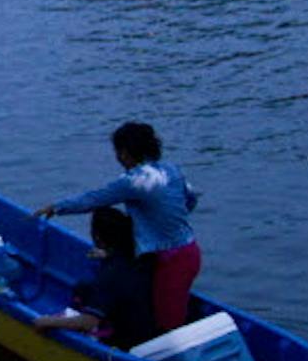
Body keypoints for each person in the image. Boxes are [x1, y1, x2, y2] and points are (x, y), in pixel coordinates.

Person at [36, 121, 200, 332]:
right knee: (160, 308)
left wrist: (56, 207)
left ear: (123, 153)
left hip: (170, 260)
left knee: (167, 325)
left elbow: (94, 199)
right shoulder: (171, 169)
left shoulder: (134, 181)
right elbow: (190, 200)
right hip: (187, 251)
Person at [34, 206, 157, 350]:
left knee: (84, 291)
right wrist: (107, 254)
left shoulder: (109, 276)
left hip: (123, 340)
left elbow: (88, 322)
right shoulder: (141, 256)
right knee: (84, 287)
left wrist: (47, 321)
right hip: (147, 326)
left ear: (97, 237)